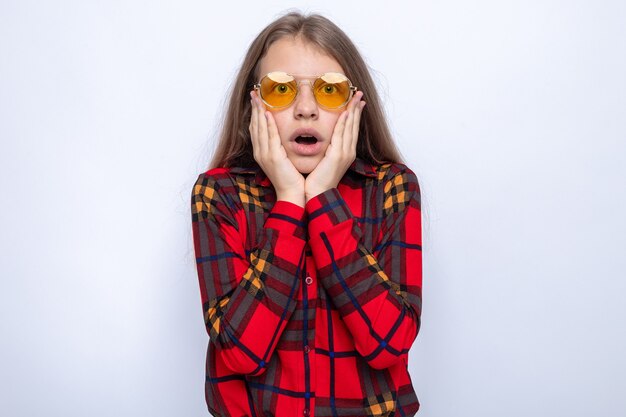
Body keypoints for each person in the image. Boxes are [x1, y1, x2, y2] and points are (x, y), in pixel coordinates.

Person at [191, 11, 423, 417]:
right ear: (253, 105)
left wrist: (321, 197)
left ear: (355, 103)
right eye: (281, 89)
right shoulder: (219, 194)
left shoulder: (392, 188)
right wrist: (288, 201)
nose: (305, 109)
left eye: (328, 91)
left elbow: (389, 343)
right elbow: (242, 352)